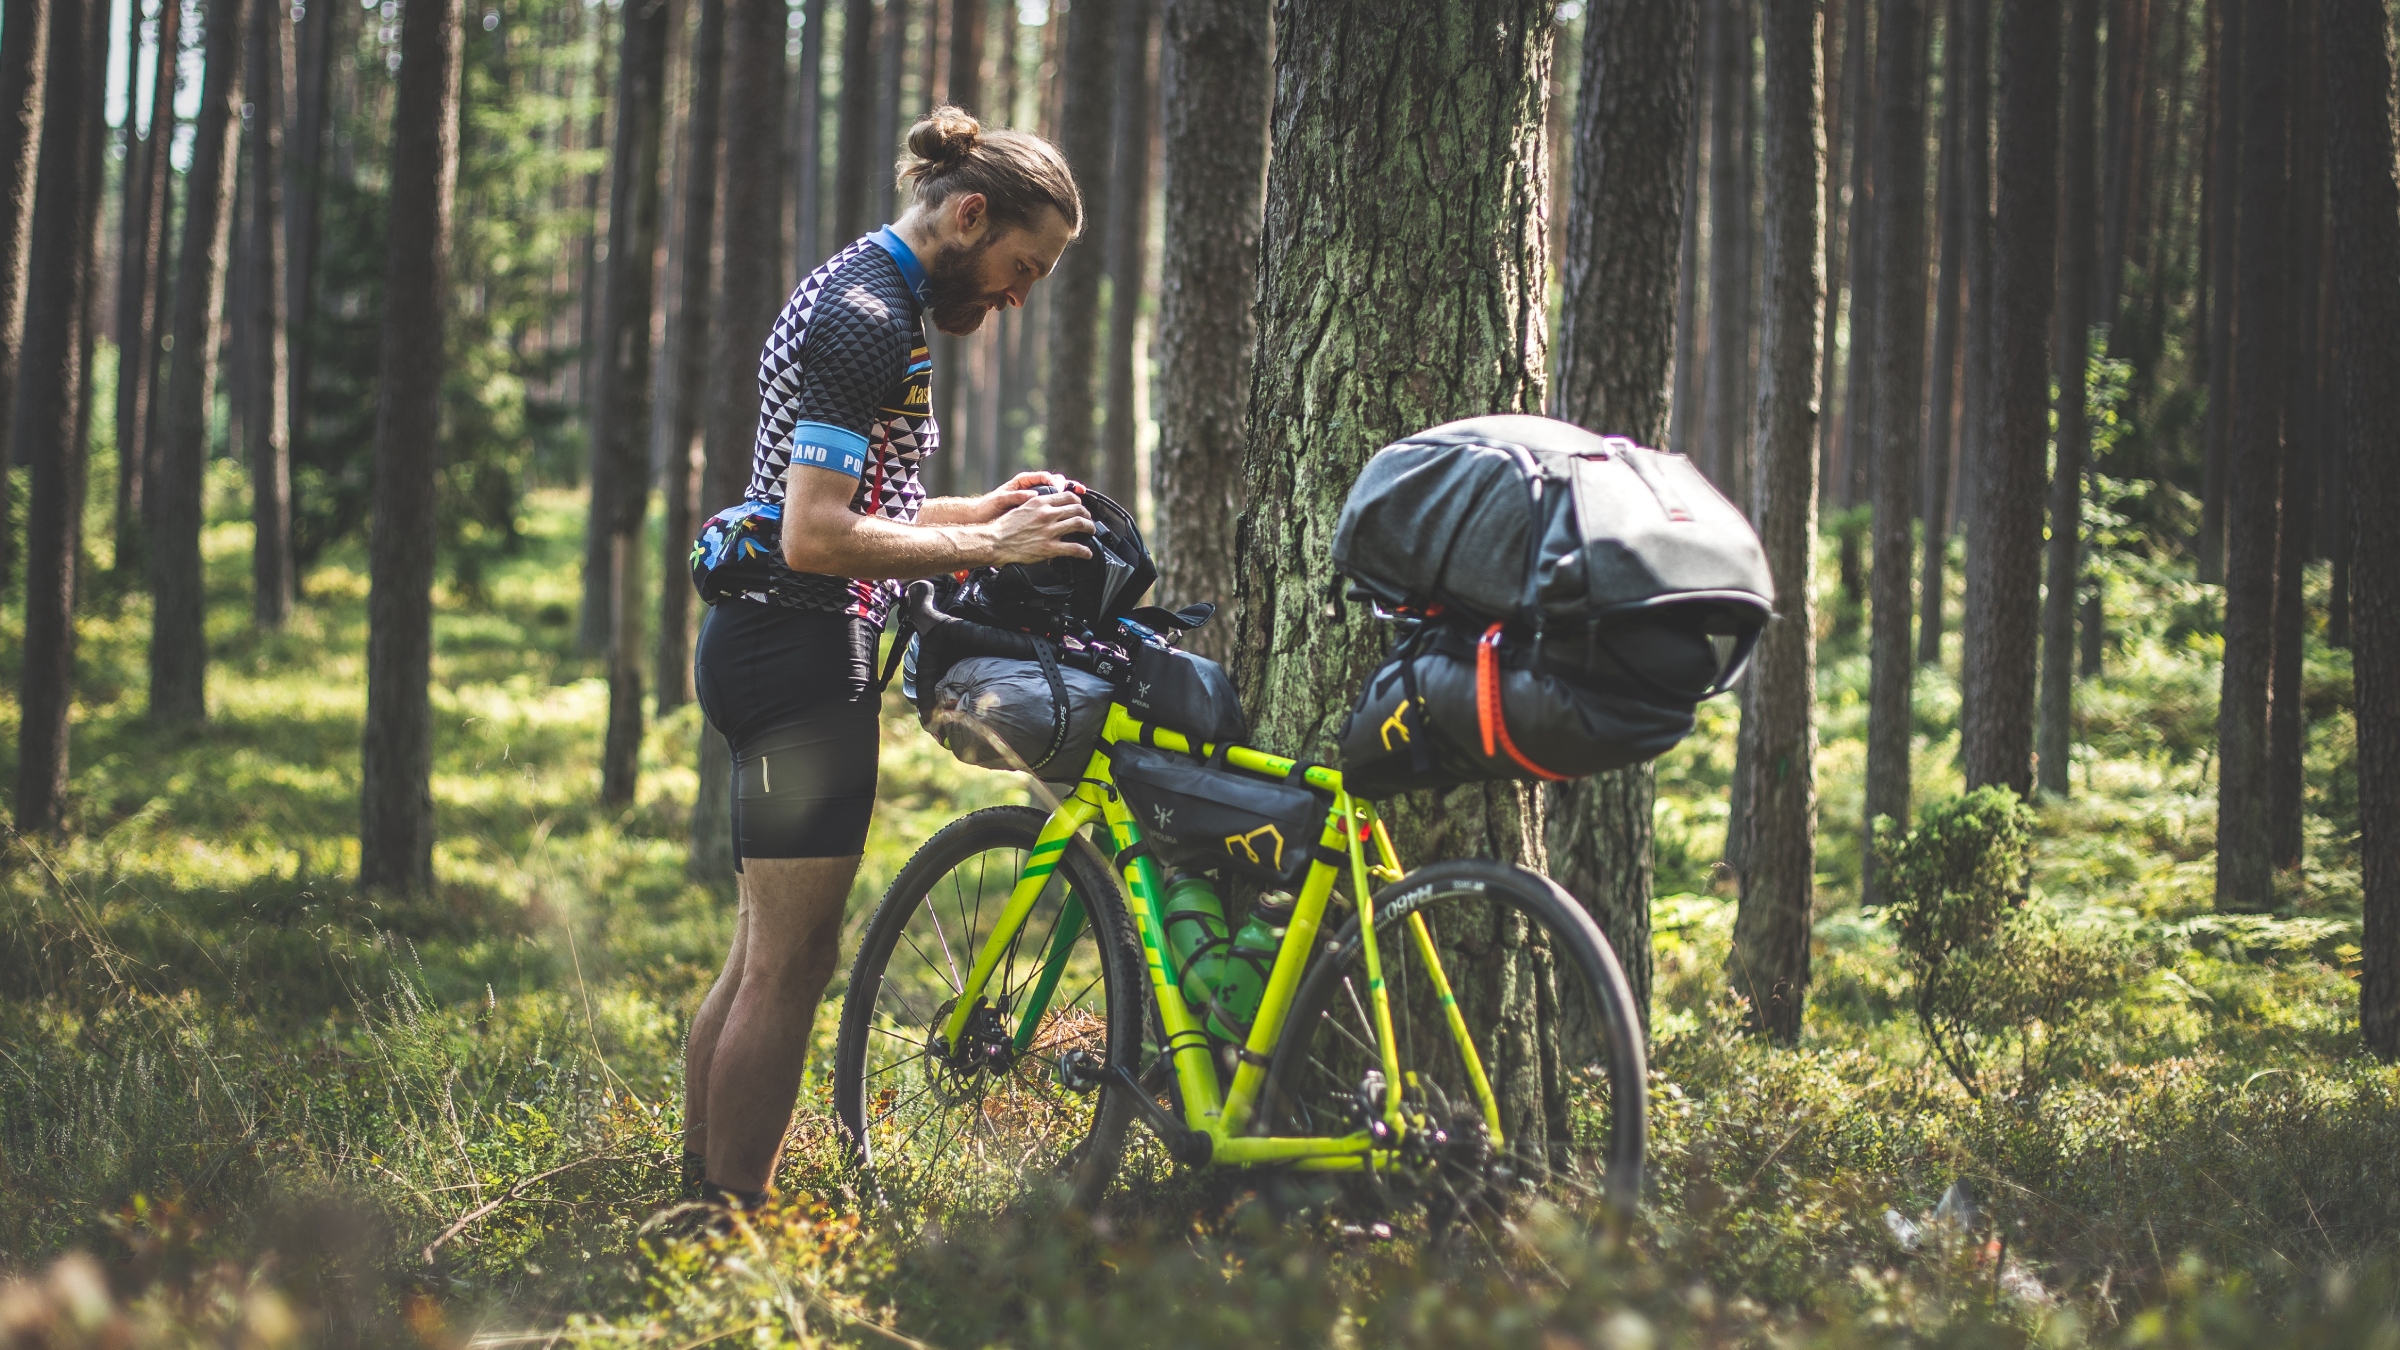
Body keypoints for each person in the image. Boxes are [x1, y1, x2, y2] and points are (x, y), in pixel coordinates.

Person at [680, 107, 1091, 1209]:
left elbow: (853, 502)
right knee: (790, 965)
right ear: (970, 215)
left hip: (774, 641)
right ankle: (731, 1224)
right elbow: (816, 534)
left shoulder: (868, 293)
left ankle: (697, 1196)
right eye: (1022, 267)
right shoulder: (868, 319)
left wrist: (980, 510)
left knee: (761, 953)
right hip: (798, 650)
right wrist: (990, 546)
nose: (1016, 297)